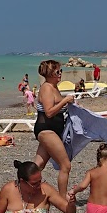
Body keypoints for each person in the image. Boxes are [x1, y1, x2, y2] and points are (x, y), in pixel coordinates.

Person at [33, 59, 79, 194]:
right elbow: (49, 112)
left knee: (38, 165)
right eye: (58, 71)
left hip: (52, 130)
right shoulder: (47, 87)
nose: (60, 74)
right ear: (50, 73)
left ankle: (20, 189)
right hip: (46, 130)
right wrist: (65, 100)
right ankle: (62, 198)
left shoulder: (54, 87)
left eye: (61, 71)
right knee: (65, 165)